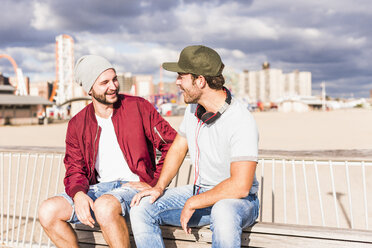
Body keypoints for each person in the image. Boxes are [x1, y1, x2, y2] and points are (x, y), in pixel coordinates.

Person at [38, 55, 177, 248]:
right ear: (89, 89)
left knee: (104, 206)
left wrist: (155, 184)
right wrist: (78, 194)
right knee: (48, 211)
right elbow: (74, 168)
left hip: (134, 188)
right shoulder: (78, 124)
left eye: (114, 79)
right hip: (100, 189)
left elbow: (172, 143)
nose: (113, 86)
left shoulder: (138, 107)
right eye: (104, 82)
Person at [130, 45, 259, 248]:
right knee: (142, 207)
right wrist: (159, 187)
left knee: (223, 211)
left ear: (200, 80)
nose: (177, 82)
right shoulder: (193, 109)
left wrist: (193, 202)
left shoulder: (240, 120)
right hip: (200, 192)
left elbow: (241, 186)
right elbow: (179, 148)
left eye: (182, 76)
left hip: (239, 201)